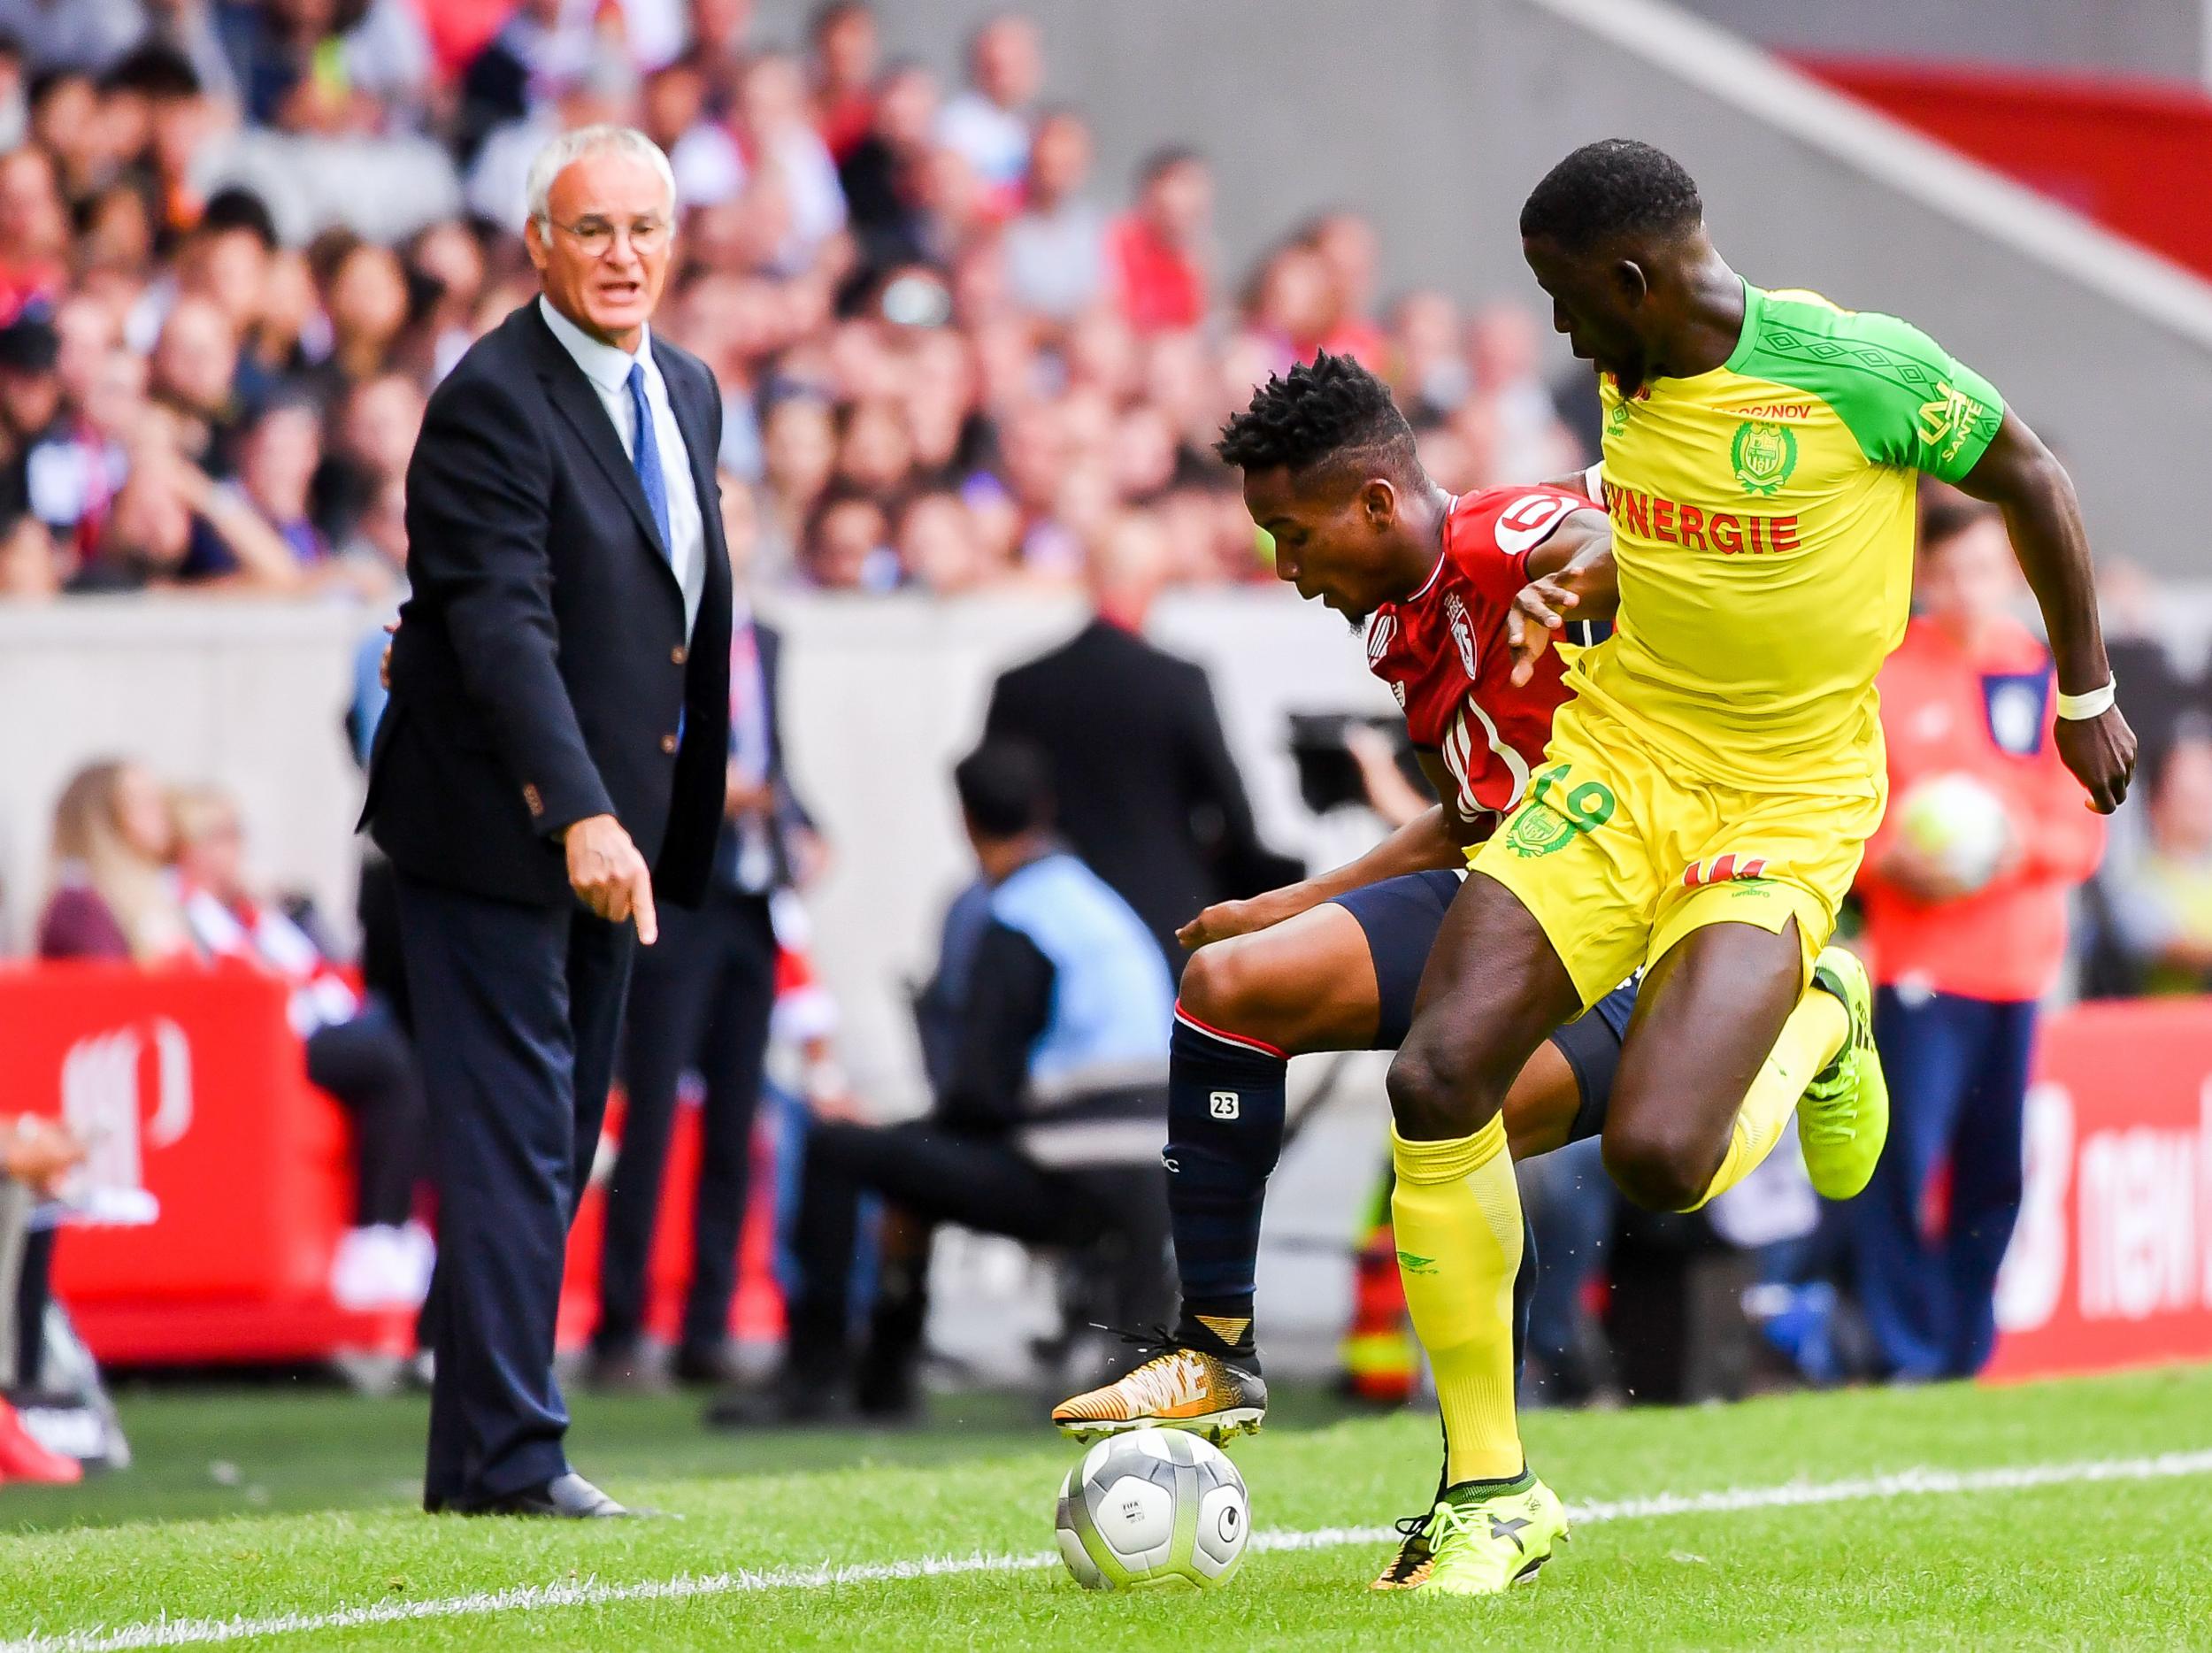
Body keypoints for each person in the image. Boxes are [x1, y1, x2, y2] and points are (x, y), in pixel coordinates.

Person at [1347, 137, 2130, 1595]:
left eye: (1570, 300)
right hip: (1620, 760)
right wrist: (1605, 553)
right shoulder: (1630, 369)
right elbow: (1672, 512)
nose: (1565, 331)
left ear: (1637, 281)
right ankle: (1490, 1491)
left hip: (1788, 788)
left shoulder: (1860, 370)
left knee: (1661, 1156)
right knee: (1436, 1076)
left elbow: (2032, 476)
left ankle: (1825, 1012)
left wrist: (2083, 695)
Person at [1051, 355, 1859, 1572]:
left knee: (1628, 1156)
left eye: (1292, 532)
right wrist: (1290, 903)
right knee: (1232, 990)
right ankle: (1217, 1353)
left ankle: (1819, 1019)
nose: (1285, 567)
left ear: (1376, 505)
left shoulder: (1505, 540)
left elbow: (1603, 530)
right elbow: (1471, 813)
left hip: (1639, 923)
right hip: (1509, 895)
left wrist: (1592, 567)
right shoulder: (1398, 618)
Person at [361, 125, 733, 1520]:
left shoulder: (686, 388)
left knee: (559, 1139)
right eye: (594, 230)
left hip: (620, 833)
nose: (623, 255)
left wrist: (650, 807)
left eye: (645, 228)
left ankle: (473, 1459)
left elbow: (669, 612)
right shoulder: (490, 400)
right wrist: (574, 806)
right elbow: (502, 623)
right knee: (519, 1133)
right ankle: (518, 1462)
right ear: (538, 245)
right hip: (493, 829)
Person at [711, 739, 1173, 1426]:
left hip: (1070, 1180)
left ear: (964, 818)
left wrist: (891, 1132)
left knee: (843, 1149)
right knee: (912, 1165)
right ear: (1042, 810)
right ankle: (883, 1378)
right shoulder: (1095, 903)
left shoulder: (1014, 918)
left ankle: (818, 1375)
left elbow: (980, 1099)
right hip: (1153, 1177)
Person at [1850, 503, 2106, 1380]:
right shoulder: (1883, 678)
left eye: (1986, 570)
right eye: (1951, 571)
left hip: (2018, 968)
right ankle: (1900, 1347)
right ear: (1922, 577)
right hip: (1919, 967)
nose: (1967, 588)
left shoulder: (2041, 675)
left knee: (1995, 1172)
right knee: (1902, 1164)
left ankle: (1963, 1349)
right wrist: (1893, 861)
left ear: (2013, 575)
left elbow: (2081, 826)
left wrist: (2008, 846)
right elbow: (1848, 820)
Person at [589, 478, 818, 1390]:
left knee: (734, 1122)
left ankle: (708, 1322)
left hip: (751, 899)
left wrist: (798, 819)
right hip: (680, 897)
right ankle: (619, 1325)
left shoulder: (766, 636)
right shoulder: (657, 633)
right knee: (648, 1117)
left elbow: (774, 755)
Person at [983, 506, 1296, 971]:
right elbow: (1230, 809)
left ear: (1090, 576)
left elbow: (992, 806)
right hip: (1165, 926)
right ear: (1154, 580)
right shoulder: (1177, 683)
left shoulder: (1021, 687)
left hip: (1047, 931)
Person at [172, 784, 433, 1311]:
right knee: (389, 1059)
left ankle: (404, 1226)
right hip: (264, 1045)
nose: (232, 849)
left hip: (317, 1023)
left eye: (235, 834)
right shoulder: (181, 910)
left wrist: (289, 907)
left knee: (421, 1040)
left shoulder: (252, 911)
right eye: (217, 836)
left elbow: (320, 961)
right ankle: (376, 1235)